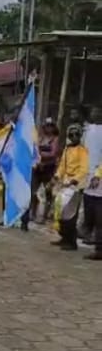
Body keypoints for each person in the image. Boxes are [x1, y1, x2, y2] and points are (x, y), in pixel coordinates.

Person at [53, 123, 90, 251]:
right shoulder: (67, 149)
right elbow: (62, 166)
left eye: (76, 134)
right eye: (71, 135)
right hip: (65, 183)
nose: (74, 137)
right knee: (61, 212)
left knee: (70, 214)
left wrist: (74, 180)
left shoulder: (82, 150)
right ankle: (64, 237)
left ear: (80, 136)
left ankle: (71, 242)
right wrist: (57, 176)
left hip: (75, 185)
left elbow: (84, 169)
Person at [82, 106, 102, 245]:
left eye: (98, 112)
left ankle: (96, 236)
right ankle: (87, 232)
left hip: (98, 174)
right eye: (93, 112)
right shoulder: (88, 130)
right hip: (86, 172)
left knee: (98, 207)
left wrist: (97, 174)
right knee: (88, 204)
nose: (95, 114)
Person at [83, 161, 102, 261]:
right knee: (93, 220)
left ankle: (99, 250)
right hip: (91, 191)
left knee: (100, 223)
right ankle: (98, 248)